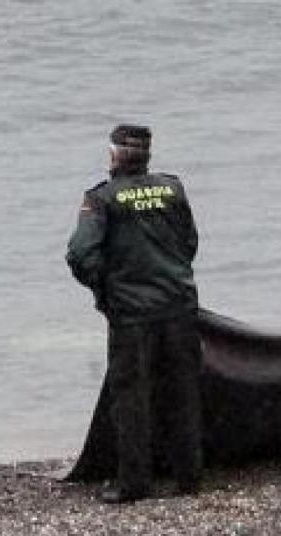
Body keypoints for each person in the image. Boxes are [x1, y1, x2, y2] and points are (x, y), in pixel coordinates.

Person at [66, 124, 202, 504]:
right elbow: (189, 242)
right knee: (183, 391)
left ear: (113, 155)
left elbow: (79, 253)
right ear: (147, 156)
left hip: (131, 313)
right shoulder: (173, 188)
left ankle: (135, 483)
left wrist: (105, 289)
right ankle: (189, 476)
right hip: (178, 304)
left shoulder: (101, 198)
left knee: (132, 396)